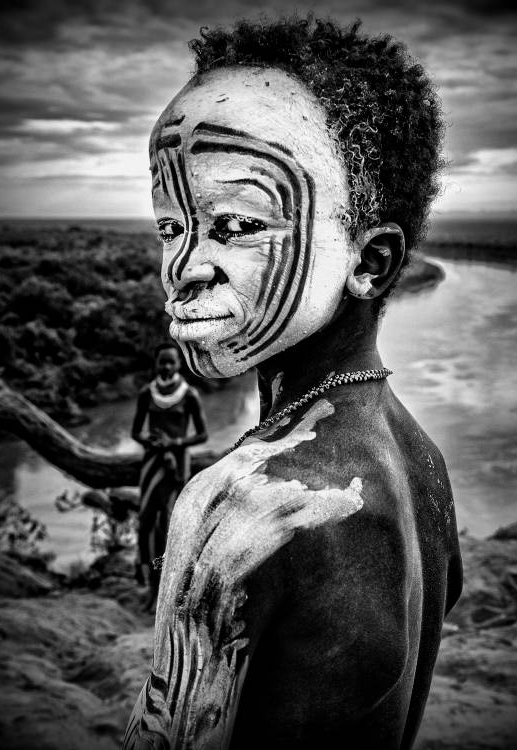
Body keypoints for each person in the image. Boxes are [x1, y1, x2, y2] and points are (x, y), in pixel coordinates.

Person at [124, 17, 462, 749]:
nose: (184, 268)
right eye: (171, 227)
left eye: (238, 224)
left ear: (367, 261)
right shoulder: (422, 464)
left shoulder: (243, 505)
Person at [131, 342, 207, 612]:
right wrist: (150, 440)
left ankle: (171, 590)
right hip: (153, 464)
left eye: (171, 362)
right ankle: (150, 586)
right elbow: (135, 432)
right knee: (147, 523)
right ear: (156, 364)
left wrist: (174, 443)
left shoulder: (189, 395)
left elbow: (202, 434)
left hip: (177, 467)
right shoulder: (146, 393)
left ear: (179, 364)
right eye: (161, 362)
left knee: (170, 526)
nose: (166, 367)